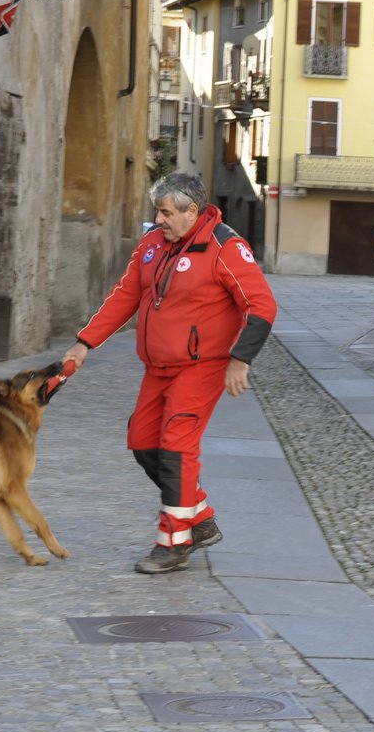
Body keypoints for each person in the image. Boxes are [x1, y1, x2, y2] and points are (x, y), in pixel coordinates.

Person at [61, 173, 277, 574]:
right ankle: (199, 518)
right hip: (157, 368)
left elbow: (261, 305)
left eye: (166, 213)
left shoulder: (225, 248)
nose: (159, 220)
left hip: (202, 367)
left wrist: (240, 359)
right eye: (157, 212)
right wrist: (85, 341)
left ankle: (173, 542)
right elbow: (125, 295)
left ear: (191, 211)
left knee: (177, 446)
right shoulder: (152, 245)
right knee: (144, 443)